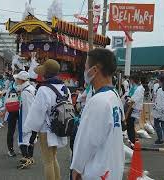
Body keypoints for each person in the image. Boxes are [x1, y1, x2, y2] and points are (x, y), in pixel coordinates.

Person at [70, 48, 124, 180]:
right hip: (111, 168)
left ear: (94, 70)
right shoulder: (114, 96)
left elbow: (87, 141)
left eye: (86, 67)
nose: (85, 71)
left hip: (96, 171)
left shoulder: (98, 100)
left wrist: (76, 168)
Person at [24, 59, 69, 180]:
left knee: (47, 162)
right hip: (59, 126)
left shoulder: (44, 89)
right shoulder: (64, 87)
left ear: (45, 73)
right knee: (53, 158)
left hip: (46, 129)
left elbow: (37, 112)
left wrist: (28, 129)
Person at [13, 71, 37, 169]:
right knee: (30, 139)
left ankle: (26, 158)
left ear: (21, 80)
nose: (16, 81)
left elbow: (27, 109)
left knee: (22, 140)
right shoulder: (31, 88)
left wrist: (26, 125)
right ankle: (30, 157)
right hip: (31, 120)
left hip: (26, 120)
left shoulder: (25, 92)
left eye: (17, 79)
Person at [152, 75, 164, 145]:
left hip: (159, 110)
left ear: (160, 81)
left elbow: (159, 102)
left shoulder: (160, 90)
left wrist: (158, 111)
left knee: (156, 124)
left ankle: (160, 139)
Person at [126, 75, 145, 145]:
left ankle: (133, 142)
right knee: (130, 126)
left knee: (130, 126)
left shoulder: (138, 89)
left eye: (130, 80)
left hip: (133, 109)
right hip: (133, 108)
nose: (130, 82)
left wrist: (129, 100)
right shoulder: (135, 88)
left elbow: (134, 100)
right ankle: (132, 140)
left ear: (133, 80)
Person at [6, 70, 21, 157]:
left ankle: (11, 149)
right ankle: (18, 148)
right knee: (20, 130)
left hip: (12, 110)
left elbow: (6, 100)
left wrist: (4, 111)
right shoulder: (25, 86)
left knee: (11, 130)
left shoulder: (11, 87)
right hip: (20, 110)